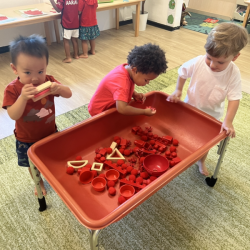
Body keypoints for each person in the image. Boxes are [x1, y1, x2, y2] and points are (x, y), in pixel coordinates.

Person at [167, 23, 249, 176]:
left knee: (205, 144)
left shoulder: (233, 73)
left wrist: (228, 120)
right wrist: (178, 89)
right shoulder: (198, 61)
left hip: (212, 116)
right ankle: (183, 153)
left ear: (235, 57)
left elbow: (234, 98)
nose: (212, 65)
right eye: (209, 58)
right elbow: (182, 72)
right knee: (183, 134)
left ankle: (201, 160)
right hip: (189, 108)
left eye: (220, 62)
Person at [2, 35, 72, 195]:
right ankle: (38, 181)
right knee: (32, 165)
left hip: (49, 132)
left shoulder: (48, 81)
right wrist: (23, 98)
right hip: (26, 138)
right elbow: (13, 114)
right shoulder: (12, 89)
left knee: (54, 157)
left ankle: (55, 176)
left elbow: (68, 94)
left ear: (46, 66)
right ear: (15, 69)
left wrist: (59, 89)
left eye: (40, 71)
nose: (35, 78)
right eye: (27, 72)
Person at [88, 43, 168, 116]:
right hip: (100, 111)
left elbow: (121, 88)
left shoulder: (127, 68)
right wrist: (144, 112)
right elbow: (122, 109)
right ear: (134, 70)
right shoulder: (122, 82)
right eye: (146, 80)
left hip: (109, 105)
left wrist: (134, 94)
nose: (147, 83)